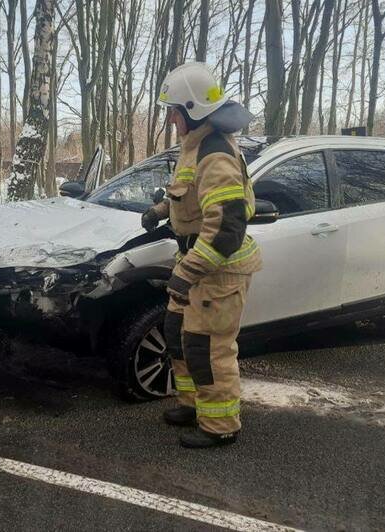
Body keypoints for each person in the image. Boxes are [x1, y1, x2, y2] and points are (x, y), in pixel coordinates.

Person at [141, 62, 262, 448]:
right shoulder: (196, 147)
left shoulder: (216, 155)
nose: (171, 119)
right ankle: (194, 404)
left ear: (190, 111)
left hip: (216, 270)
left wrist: (187, 272)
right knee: (180, 337)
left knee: (209, 348)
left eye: (173, 112)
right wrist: (160, 212)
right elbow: (189, 194)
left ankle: (221, 425)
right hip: (196, 264)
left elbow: (226, 230)